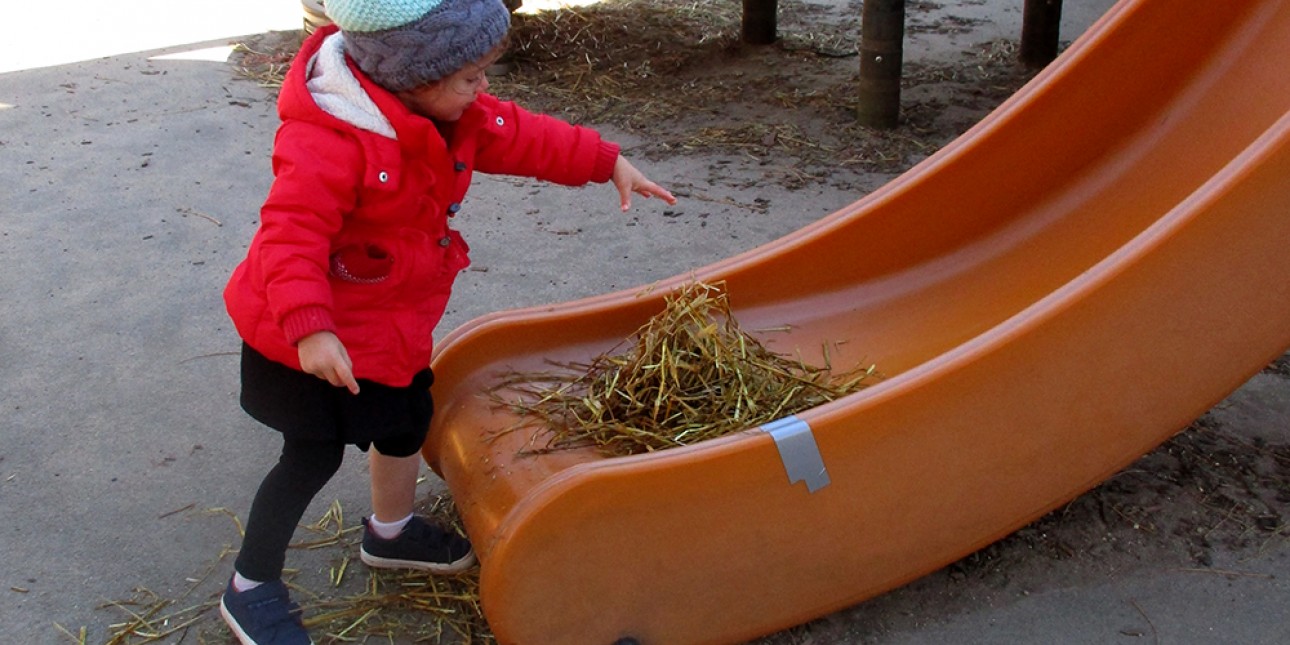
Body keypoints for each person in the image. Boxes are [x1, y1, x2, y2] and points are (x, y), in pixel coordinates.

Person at [218, 0, 677, 641]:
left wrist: (605, 162)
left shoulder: (444, 109)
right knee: (310, 456)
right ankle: (251, 585)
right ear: (413, 74)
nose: (483, 87)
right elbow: (288, 234)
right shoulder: (327, 137)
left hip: (387, 327)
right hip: (306, 337)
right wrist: (309, 324)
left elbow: (518, 133)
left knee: (405, 423)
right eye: (470, 76)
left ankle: (391, 531)